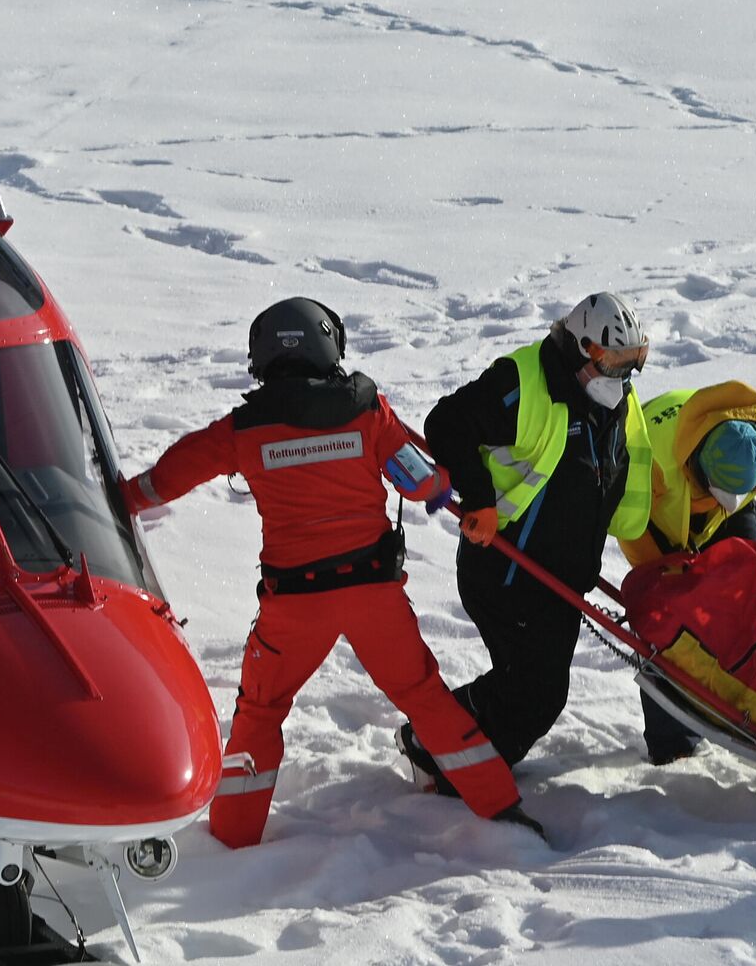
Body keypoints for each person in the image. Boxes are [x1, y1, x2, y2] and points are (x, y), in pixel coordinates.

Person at [120, 297, 533, 846]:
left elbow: (165, 480)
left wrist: (116, 499)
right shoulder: (367, 411)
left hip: (294, 606)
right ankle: (501, 808)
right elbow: (425, 483)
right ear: (329, 347)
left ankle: (233, 840)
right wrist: (438, 487)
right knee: (426, 699)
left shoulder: (242, 429)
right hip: (374, 598)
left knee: (261, 712)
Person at [401, 292, 653, 784]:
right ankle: (445, 760)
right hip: (505, 569)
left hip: (560, 580)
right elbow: (445, 424)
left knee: (536, 692)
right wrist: (479, 501)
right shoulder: (523, 382)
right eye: (616, 362)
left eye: (633, 363)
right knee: (534, 693)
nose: (624, 376)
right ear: (585, 349)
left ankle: (446, 751)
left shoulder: (616, 401)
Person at [618, 381, 756, 763]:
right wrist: (680, 576)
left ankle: (752, 710)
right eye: (721, 489)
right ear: (697, 464)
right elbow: (630, 531)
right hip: (656, 520)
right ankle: (673, 749)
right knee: (669, 629)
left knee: (751, 604)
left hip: (726, 516)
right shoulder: (649, 463)